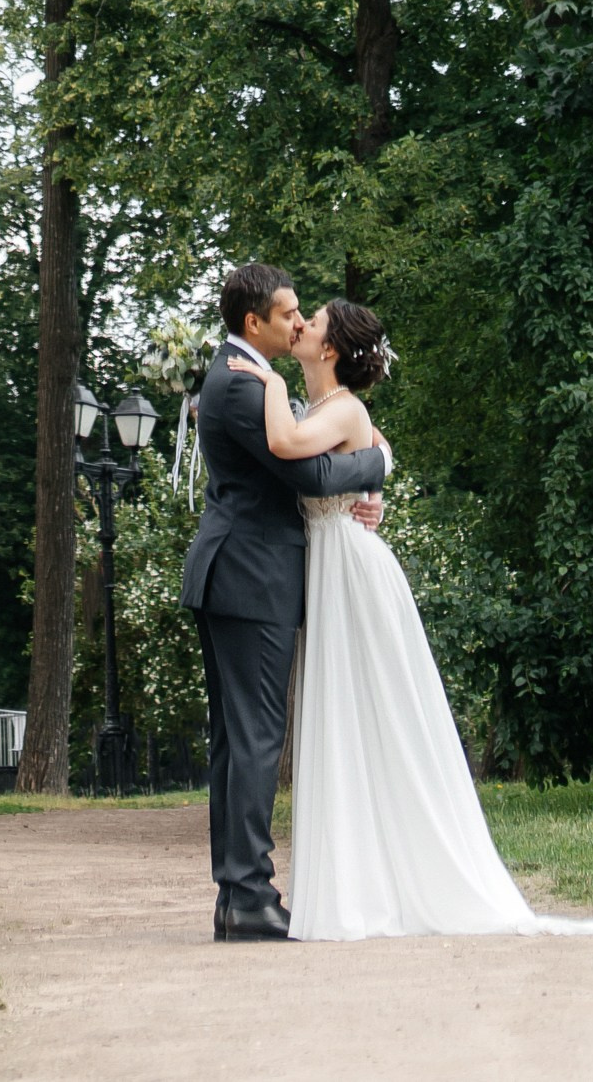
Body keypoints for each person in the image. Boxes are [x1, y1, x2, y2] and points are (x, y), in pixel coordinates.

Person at [234, 299, 593, 941]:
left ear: (329, 349)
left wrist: (271, 384)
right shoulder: (326, 408)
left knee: (377, 713)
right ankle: (360, 876)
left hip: (352, 571)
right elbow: (370, 448)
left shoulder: (337, 408)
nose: (301, 323)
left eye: (315, 320)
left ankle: (402, 874)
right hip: (327, 570)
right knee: (344, 716)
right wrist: (377, 477)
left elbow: (290, 444)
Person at [182, 261, 391, 941]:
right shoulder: (246, 385)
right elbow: (311, 474)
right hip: (251, 579)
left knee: (236, 740)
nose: (299, 322)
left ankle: (235, 896)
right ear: (255, 322)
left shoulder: (240, 375)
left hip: (236, 576)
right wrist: (378, 463)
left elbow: (324, 441)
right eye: (288, 313)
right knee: (254, 739)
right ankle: (248, 895)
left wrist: (371, 451)